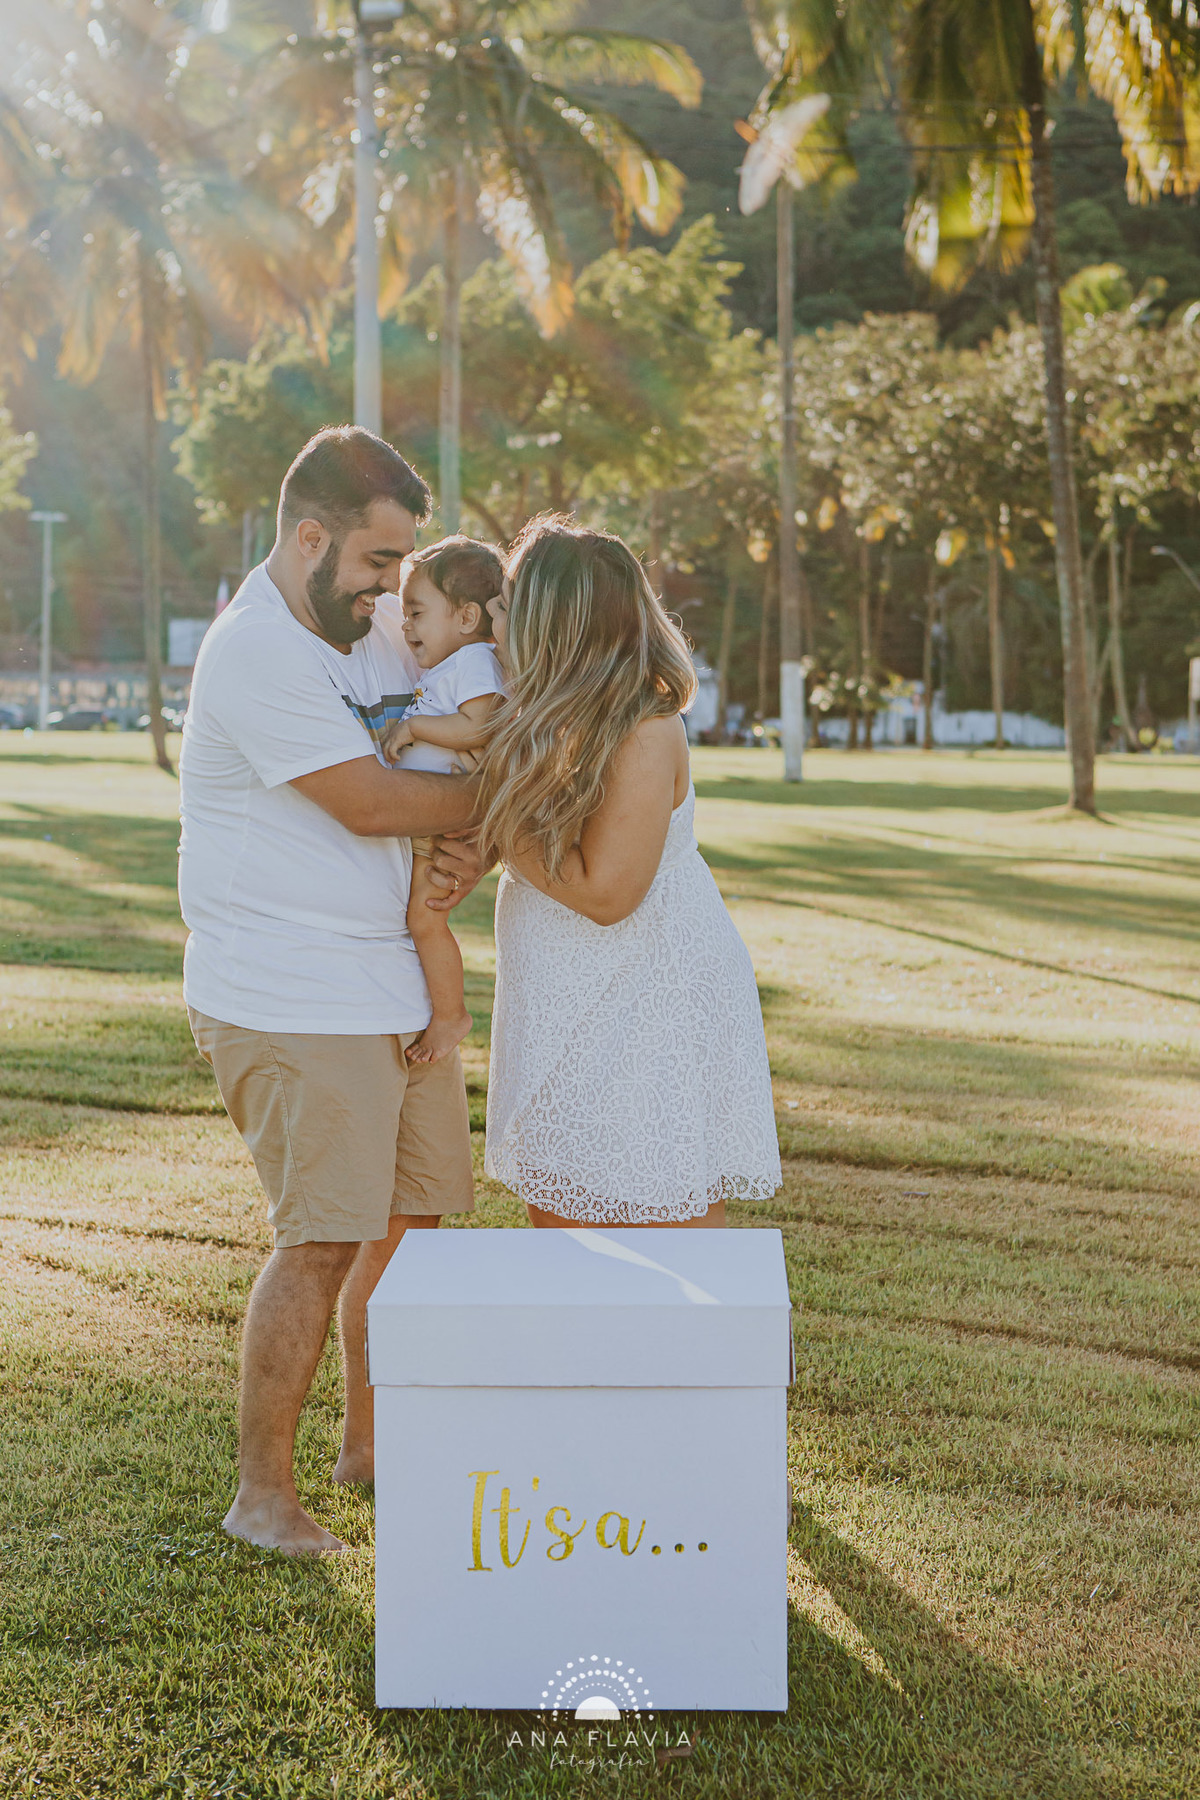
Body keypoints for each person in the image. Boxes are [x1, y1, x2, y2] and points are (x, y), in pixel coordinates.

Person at [178, 426, 484, 1555]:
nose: (393, 591)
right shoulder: (258, 649)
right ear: (311, 537)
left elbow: (456, 745)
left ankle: (368, 1449)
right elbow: (373, 801)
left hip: (392, 988)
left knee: (415, 1225)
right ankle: (263, 1497)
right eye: (376, 563)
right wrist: (508, 811)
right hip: (291, 995)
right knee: (320, 1239)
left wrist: (478, 834)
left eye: (404, 569)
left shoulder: (372, 635)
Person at [479, 515, 782, 1228]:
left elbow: (608, 892)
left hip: (646, 1003)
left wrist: (493, 811)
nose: (494, 616)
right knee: (564, 1240)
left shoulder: (645, 730)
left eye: (509, 601)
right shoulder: (554, 720)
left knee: (663, 1238)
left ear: (553, 622)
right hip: (568, 999)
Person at [380, 538, 507, 1064]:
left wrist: (413, 726)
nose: (405, 626)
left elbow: (479, 726)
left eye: (415, 613)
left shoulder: (475, 659)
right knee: (416, 918)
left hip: (440, 829)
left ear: (466, 616)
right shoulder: (451, 666)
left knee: (425, 920)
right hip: (428, 822)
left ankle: (452, 1015)